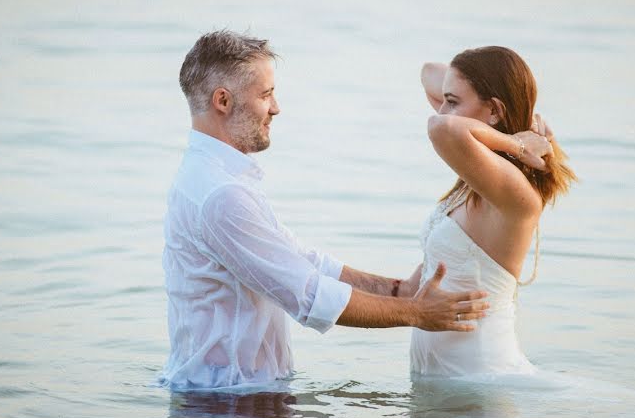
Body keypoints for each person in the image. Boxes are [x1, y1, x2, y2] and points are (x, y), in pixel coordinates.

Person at [159, 31, 553, 390]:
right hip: (225, 400)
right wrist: (414, 311)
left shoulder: (217, 179)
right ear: (223, 101)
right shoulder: (221, 193)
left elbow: (303, 260)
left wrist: (396, 291)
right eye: (266, 94)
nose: (277, 108)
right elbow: (310, 295)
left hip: (474, 373)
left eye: (454, 100)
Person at [410, 46, 576, 377]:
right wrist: (519, 122)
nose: (443, 110)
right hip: (449, 380)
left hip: (480, 378)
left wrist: (519, 142)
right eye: (444, 100)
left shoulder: (514, 191)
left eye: (453, 102)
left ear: (494, 111)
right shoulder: (480, 182)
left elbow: (440, 128)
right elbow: (429, 70)